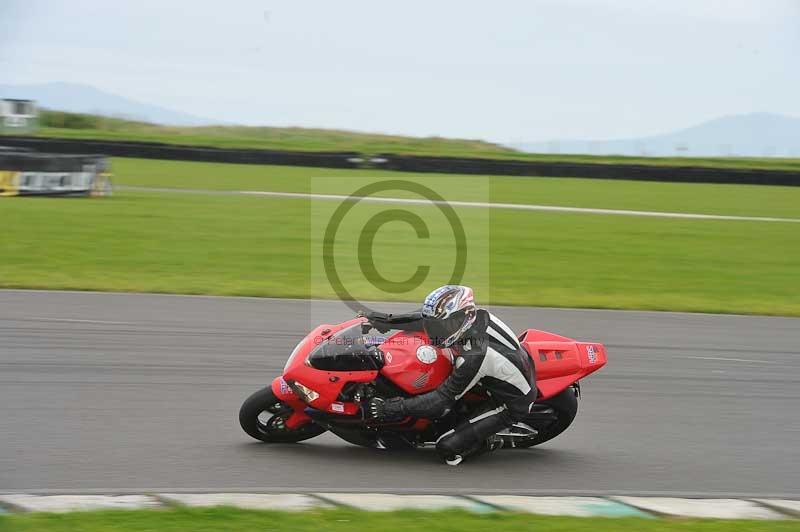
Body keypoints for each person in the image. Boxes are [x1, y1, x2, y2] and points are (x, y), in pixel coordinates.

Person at [366, 285, 537, 465]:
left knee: (447, 448)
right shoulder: (472, 317)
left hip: (509, 403)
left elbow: (440, 401)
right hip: (498, 369)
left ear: (465, 317)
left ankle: (490, 439)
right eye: (435, 325)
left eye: (443, 325)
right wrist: (384, 320)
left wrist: (391, 408)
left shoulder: (474, 356)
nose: (434, 331)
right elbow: (424, 321)